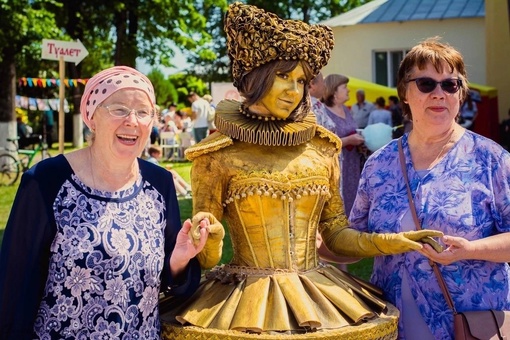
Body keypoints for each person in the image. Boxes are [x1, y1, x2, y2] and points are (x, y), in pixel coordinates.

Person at [160, 4, 441, 339]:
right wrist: (211, 238)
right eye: (283, 76)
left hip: (317, 292)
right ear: (257, 75)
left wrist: (393, 241)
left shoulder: (323, 149)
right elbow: (205, 257)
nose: (294, 91)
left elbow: (336, 234)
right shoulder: (217, 155)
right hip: (242, 301)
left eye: (301, 80)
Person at [0, 66, 214, 339]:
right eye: (119, 109)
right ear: (92, 116)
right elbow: (14, 287)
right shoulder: (46, 181)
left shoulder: (159, 184)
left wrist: (178, 262)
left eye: (143, 112)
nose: (132, 121)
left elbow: (166, 284)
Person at [349, 37, 510, 339]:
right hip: (393, 324)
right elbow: (351, 242)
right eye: (426, 84)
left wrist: (470, 250)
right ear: (405, 93)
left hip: (468, 326)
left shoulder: (492, 160)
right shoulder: (379, 164)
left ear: (460, 95)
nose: (439, 93)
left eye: (450, 85)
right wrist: (311, 242)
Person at [318, 74, 364, 216]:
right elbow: (323, 143)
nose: (348, 90)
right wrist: (349, 140)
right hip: (337, 166)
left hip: (353, 164)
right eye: (344, 87)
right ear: (334, 92)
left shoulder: (346, 110)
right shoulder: (323, 112)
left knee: (353, 203)